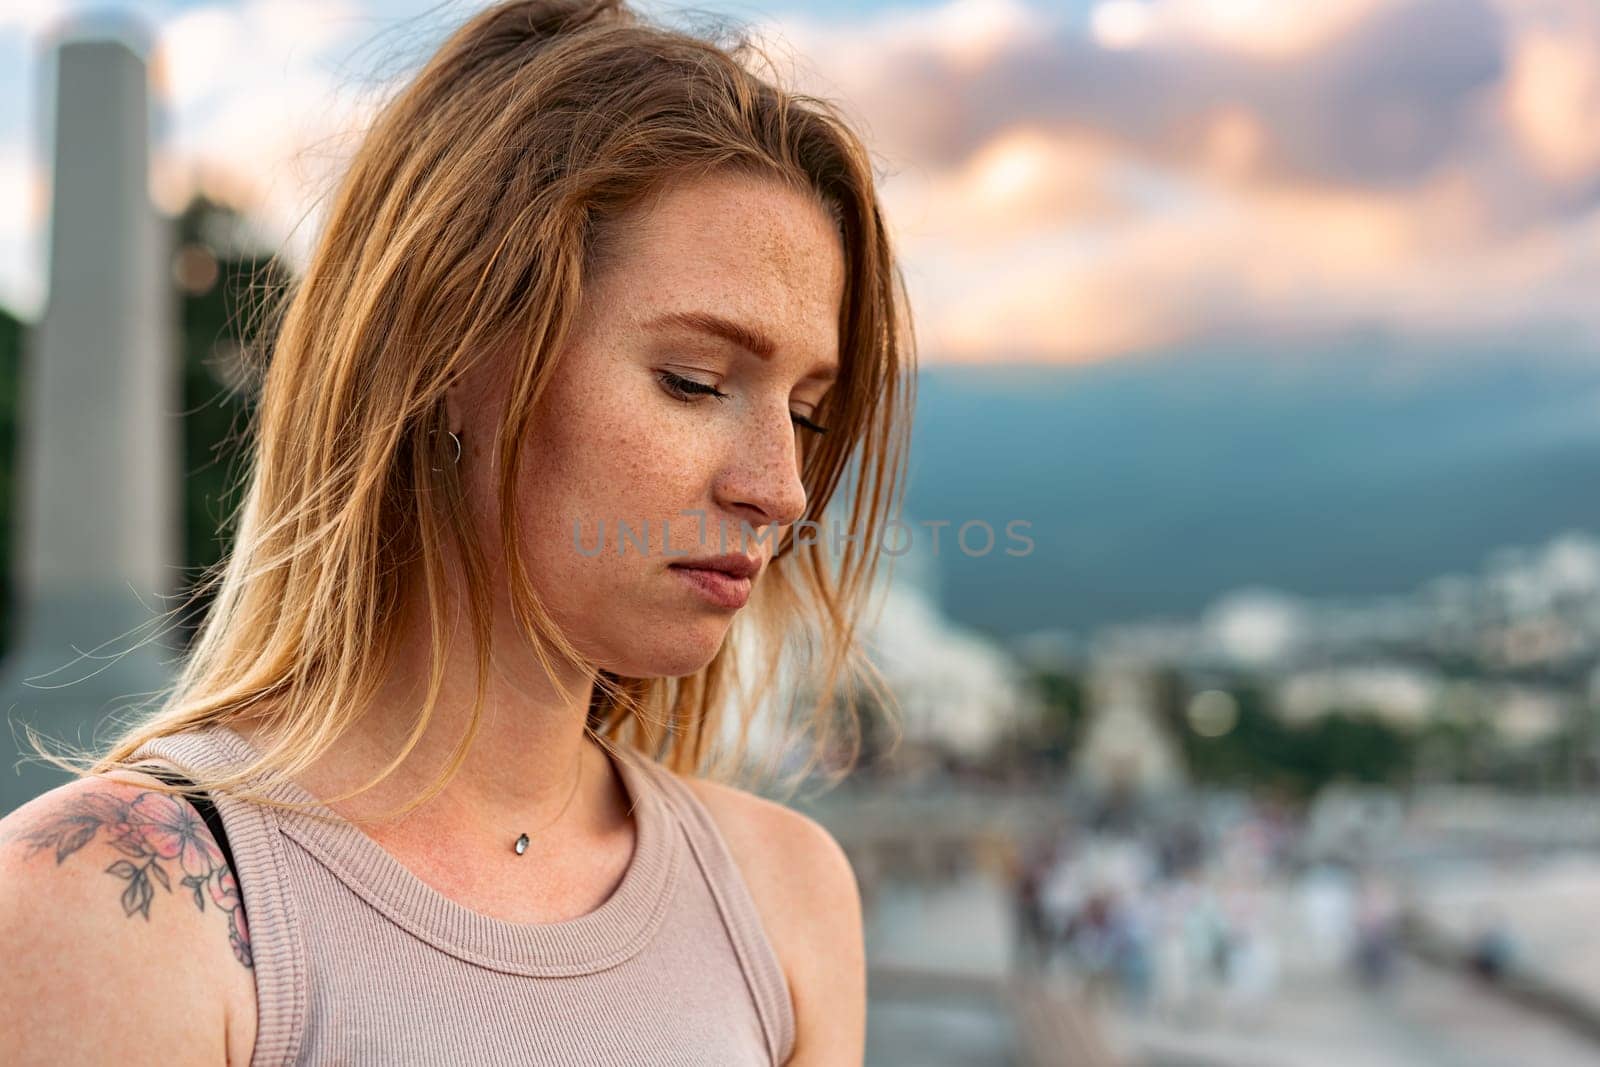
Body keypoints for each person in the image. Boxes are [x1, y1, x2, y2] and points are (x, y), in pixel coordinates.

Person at [0, 1, 915, 1063]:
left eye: (805, 411)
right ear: (447, 356)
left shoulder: (784, 896)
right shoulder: (113, 903)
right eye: (695, 380)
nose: (785, 488)